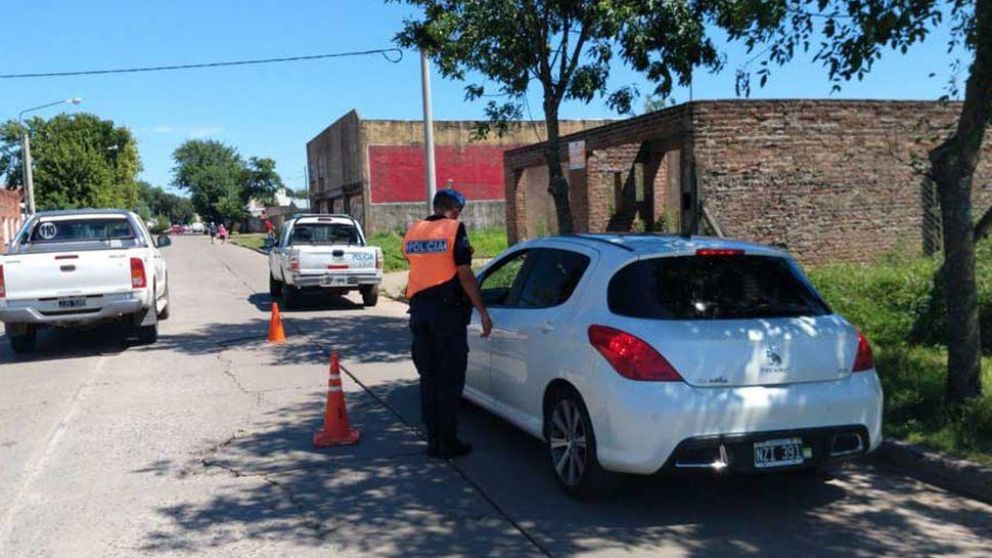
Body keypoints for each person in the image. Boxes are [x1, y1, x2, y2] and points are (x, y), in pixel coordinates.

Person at [403, 188, 493, 458]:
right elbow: (465, 276)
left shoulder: (413, 231)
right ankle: (449, 441)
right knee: (450, 379)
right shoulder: (454, 229)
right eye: (459, 211)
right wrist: (483, 311)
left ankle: (433, 440)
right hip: (447, 314)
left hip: (420, 313)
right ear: (454, 209)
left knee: (428, 378)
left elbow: (417, 264)